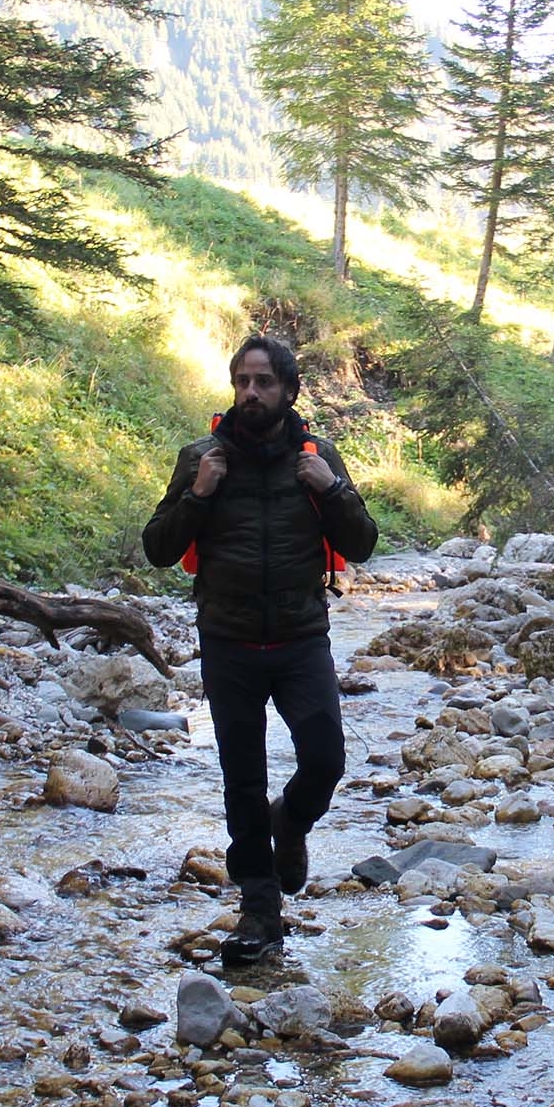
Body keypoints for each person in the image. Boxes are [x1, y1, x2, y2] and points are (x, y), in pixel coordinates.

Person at [143, 335, 378, 962]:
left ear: (288, 390)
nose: (251, 393)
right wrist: (198, 495)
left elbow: (360, 545)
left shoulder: (316, 456)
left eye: (264, 382)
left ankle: (292, 821)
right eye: (243, 382)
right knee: (241, 781)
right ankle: (259, 911)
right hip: (228, 640)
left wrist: (330, 489)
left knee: (325, 760)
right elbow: (158, 550)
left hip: (302, 638)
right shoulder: (201, 457)